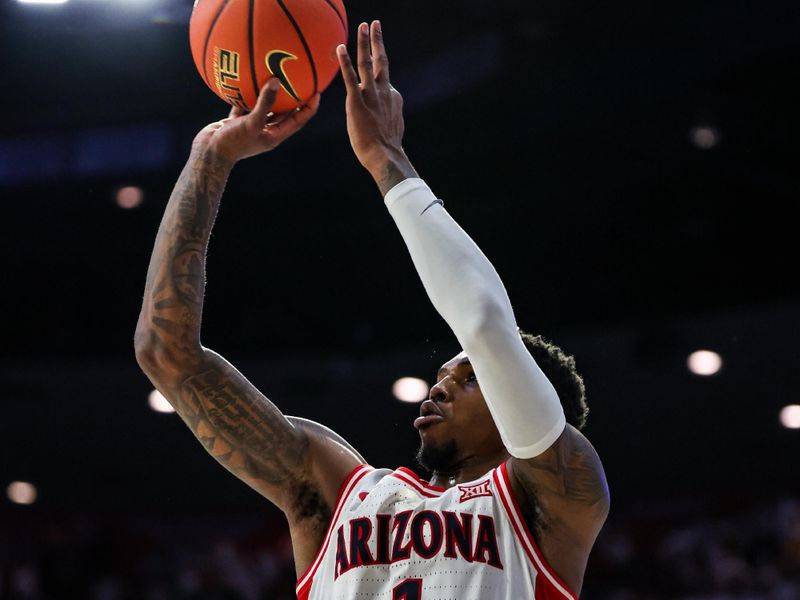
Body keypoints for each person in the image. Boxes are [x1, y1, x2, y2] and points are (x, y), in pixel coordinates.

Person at [134, 20, 609, 600]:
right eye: (442, 377)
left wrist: (386, 158)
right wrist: (209, 159)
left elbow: (485, 326)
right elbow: (166, 354)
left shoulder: (552, 498)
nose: (436, 390)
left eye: (467, 379)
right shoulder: (339, 492)